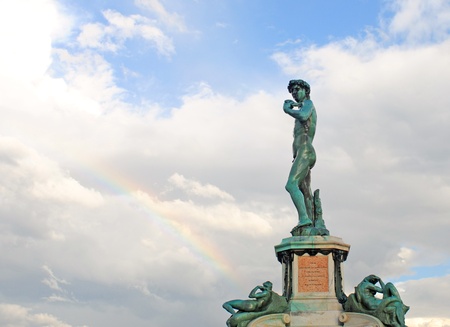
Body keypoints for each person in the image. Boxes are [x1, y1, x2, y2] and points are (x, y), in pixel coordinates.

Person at [283, 80, 317, 227]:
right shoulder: (303, 105)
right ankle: (311, 222)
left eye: (297, 89)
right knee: (305, 192)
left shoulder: (308, 104)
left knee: (291, 185)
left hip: (305, 150)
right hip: (301, 153)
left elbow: (303, 116)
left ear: (305, 90)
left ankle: (304, 219)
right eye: (292, 91)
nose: (295, 93)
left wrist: (288, 109)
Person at [345, 274, 409, 327]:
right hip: (373, 304)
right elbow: (383, 290)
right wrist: (380, 281)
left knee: (394, 305)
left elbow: (359, 300)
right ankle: (399, 319)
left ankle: (394, 320)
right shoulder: (367, 284)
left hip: (371, 304)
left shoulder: (360, 286)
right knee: (390, 286)